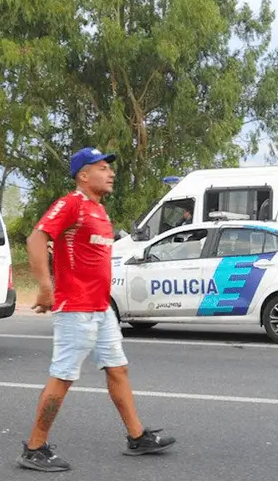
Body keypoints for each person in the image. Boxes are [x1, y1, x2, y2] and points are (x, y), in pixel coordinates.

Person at [15, 147, 176, 472]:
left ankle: (136, 436)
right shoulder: (71, 204)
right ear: (83, 175)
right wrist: (46, 287)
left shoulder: (100, 212)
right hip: (75, 308)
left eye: (109, 168)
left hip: (101, 309)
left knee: (118, 369)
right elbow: (36, 238)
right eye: (102, 168)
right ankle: (34, 448)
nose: (110, 172)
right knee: (62, 377)